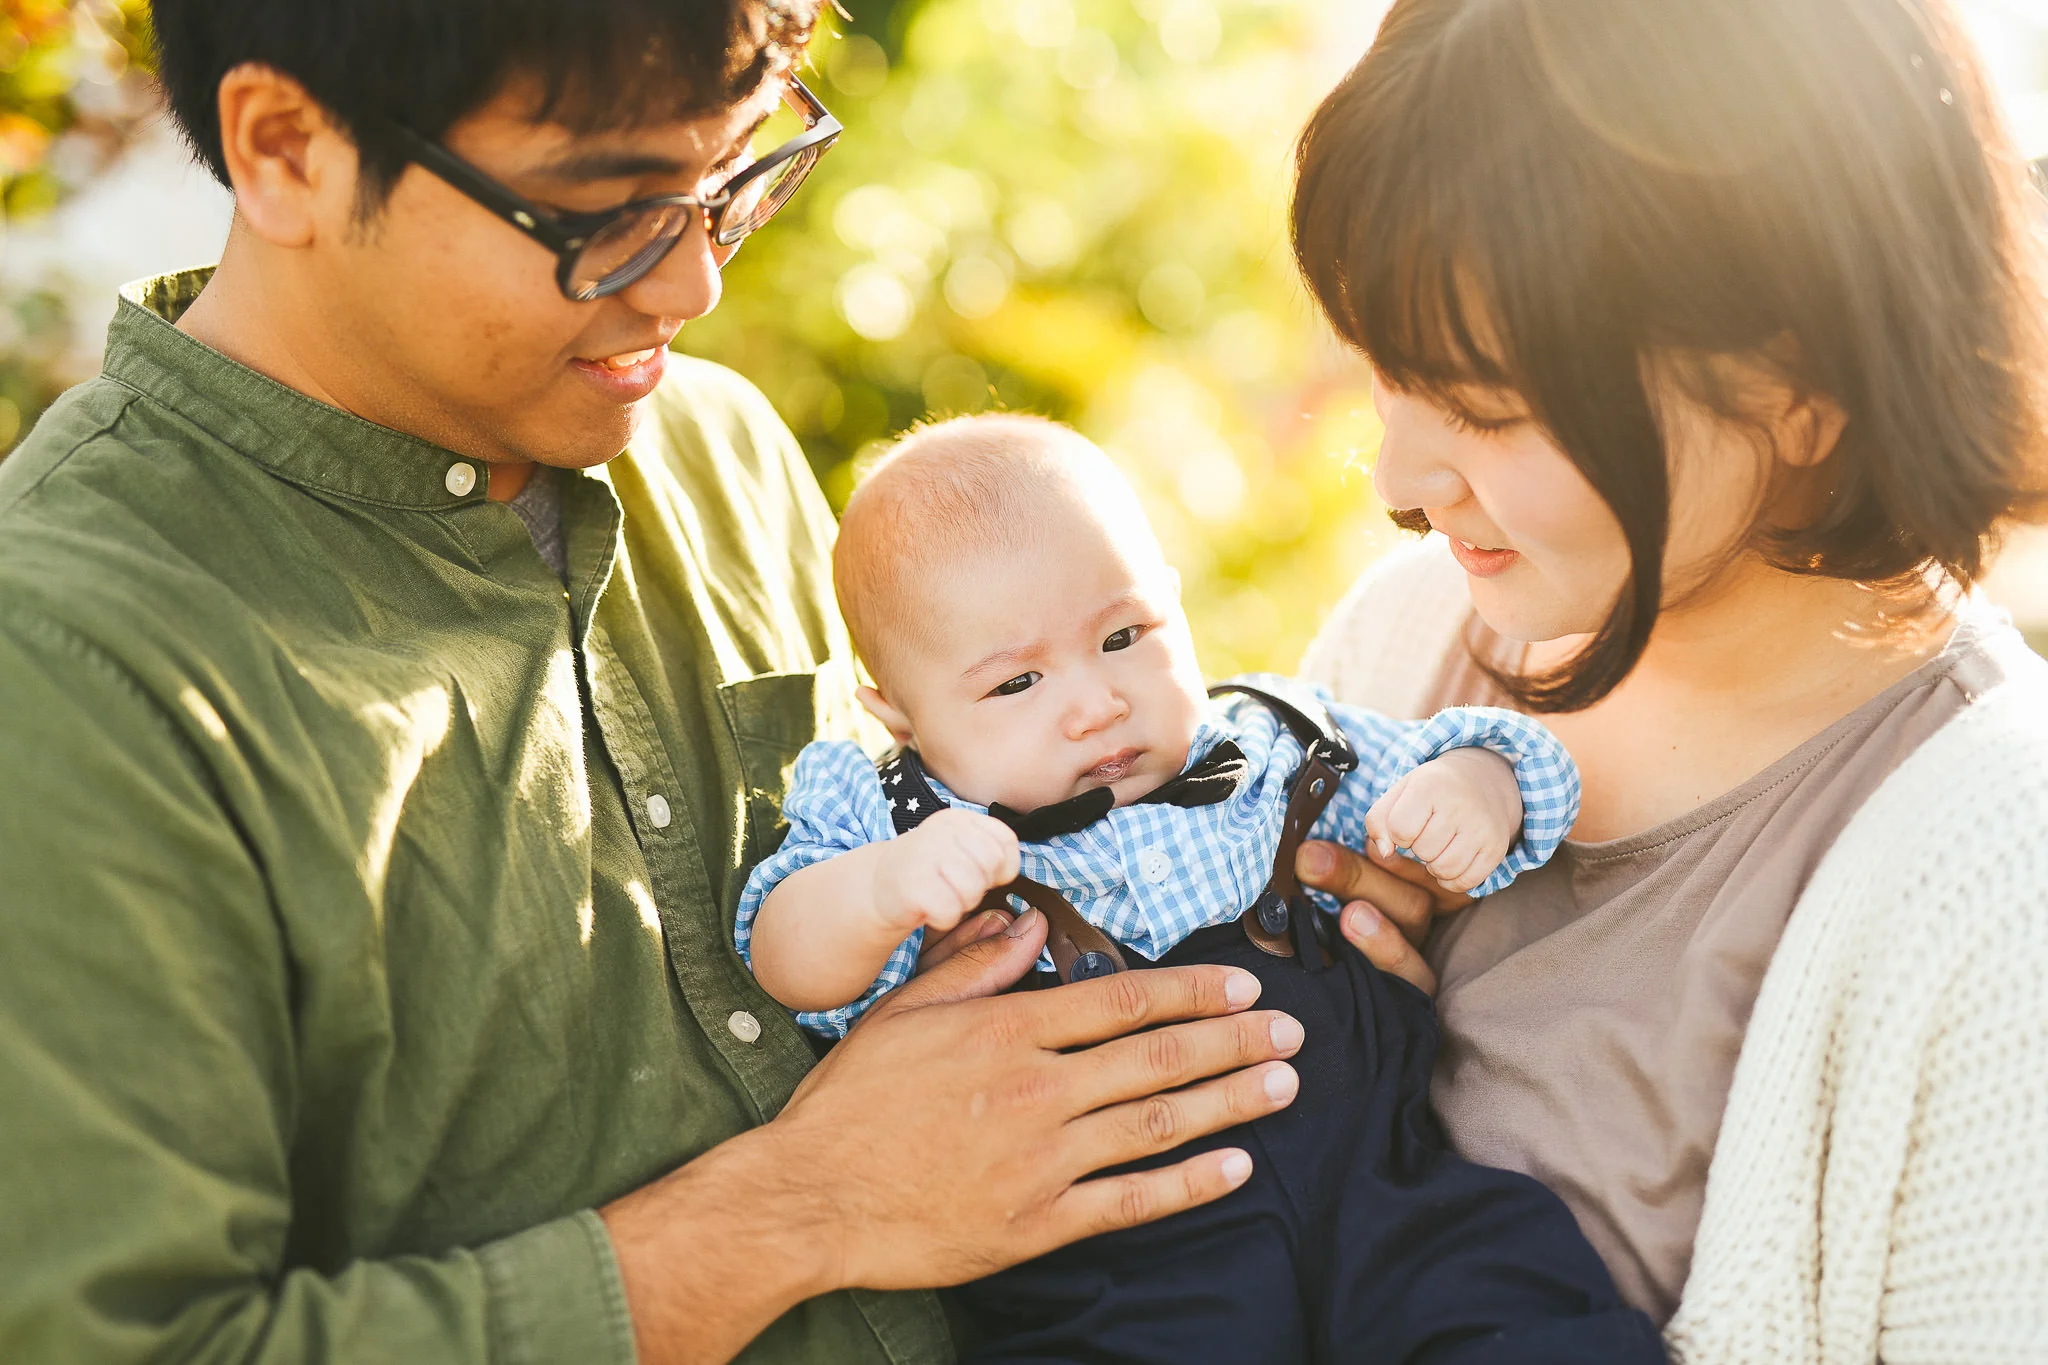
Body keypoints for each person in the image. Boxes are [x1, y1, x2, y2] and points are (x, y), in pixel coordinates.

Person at [0, 3, 1311, 1362]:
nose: (694, 288)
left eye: (735, 177)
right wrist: (808, 1207)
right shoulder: (69, 664)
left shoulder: (719, 453)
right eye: (607, 215)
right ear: (286, 151)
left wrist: (1279, 867)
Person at [1284, 0, 2048, 1357]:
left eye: (1487, 407)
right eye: (1385, 375)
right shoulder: (1404, 637)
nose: (1400, 483)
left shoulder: (2004, 872)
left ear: (1802, 385)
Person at [732, 413, 1663, 1362]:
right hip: (1118, 1277)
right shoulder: (896, 827)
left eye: (1125, 634)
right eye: (1016, 685)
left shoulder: (1268, 746)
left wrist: (1475, 787)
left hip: (1380, 1195)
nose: (1097, 704)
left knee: (1520, 1302)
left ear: (1174, 605)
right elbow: (786, 953)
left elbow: (1480, 758)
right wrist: (883, 887)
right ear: (895, 710)